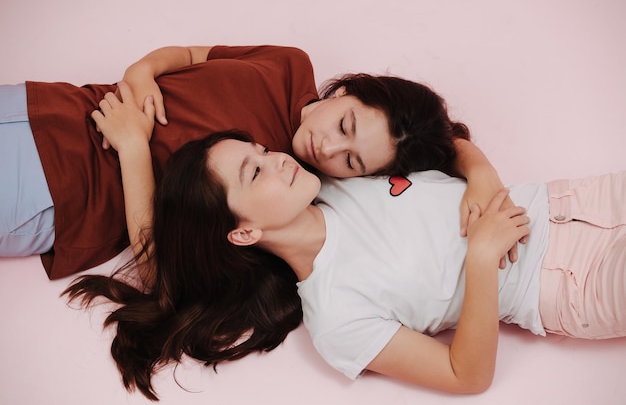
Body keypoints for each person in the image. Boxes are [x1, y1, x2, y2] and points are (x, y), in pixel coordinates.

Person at [65, 88, 625, 400]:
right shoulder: (337, 318)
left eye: (259, 149)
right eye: (254, 173)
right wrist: (480, 259)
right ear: (243, 233)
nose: (277, 158)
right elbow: (466, 376)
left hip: (576, 199)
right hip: (568, 285)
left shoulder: (337, 172)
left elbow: (438, 138)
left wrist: (482, 174)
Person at [0, 45, 508, 280]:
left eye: (351, 161)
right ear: (350, 88)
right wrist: (144, 68)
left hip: (58, 190)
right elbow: (195, 54)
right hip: (47, 105)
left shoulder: (279, 190)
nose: (327, 150)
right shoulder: (290, 64)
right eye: (345, 125)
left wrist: (134, 148)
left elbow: (159, 267)